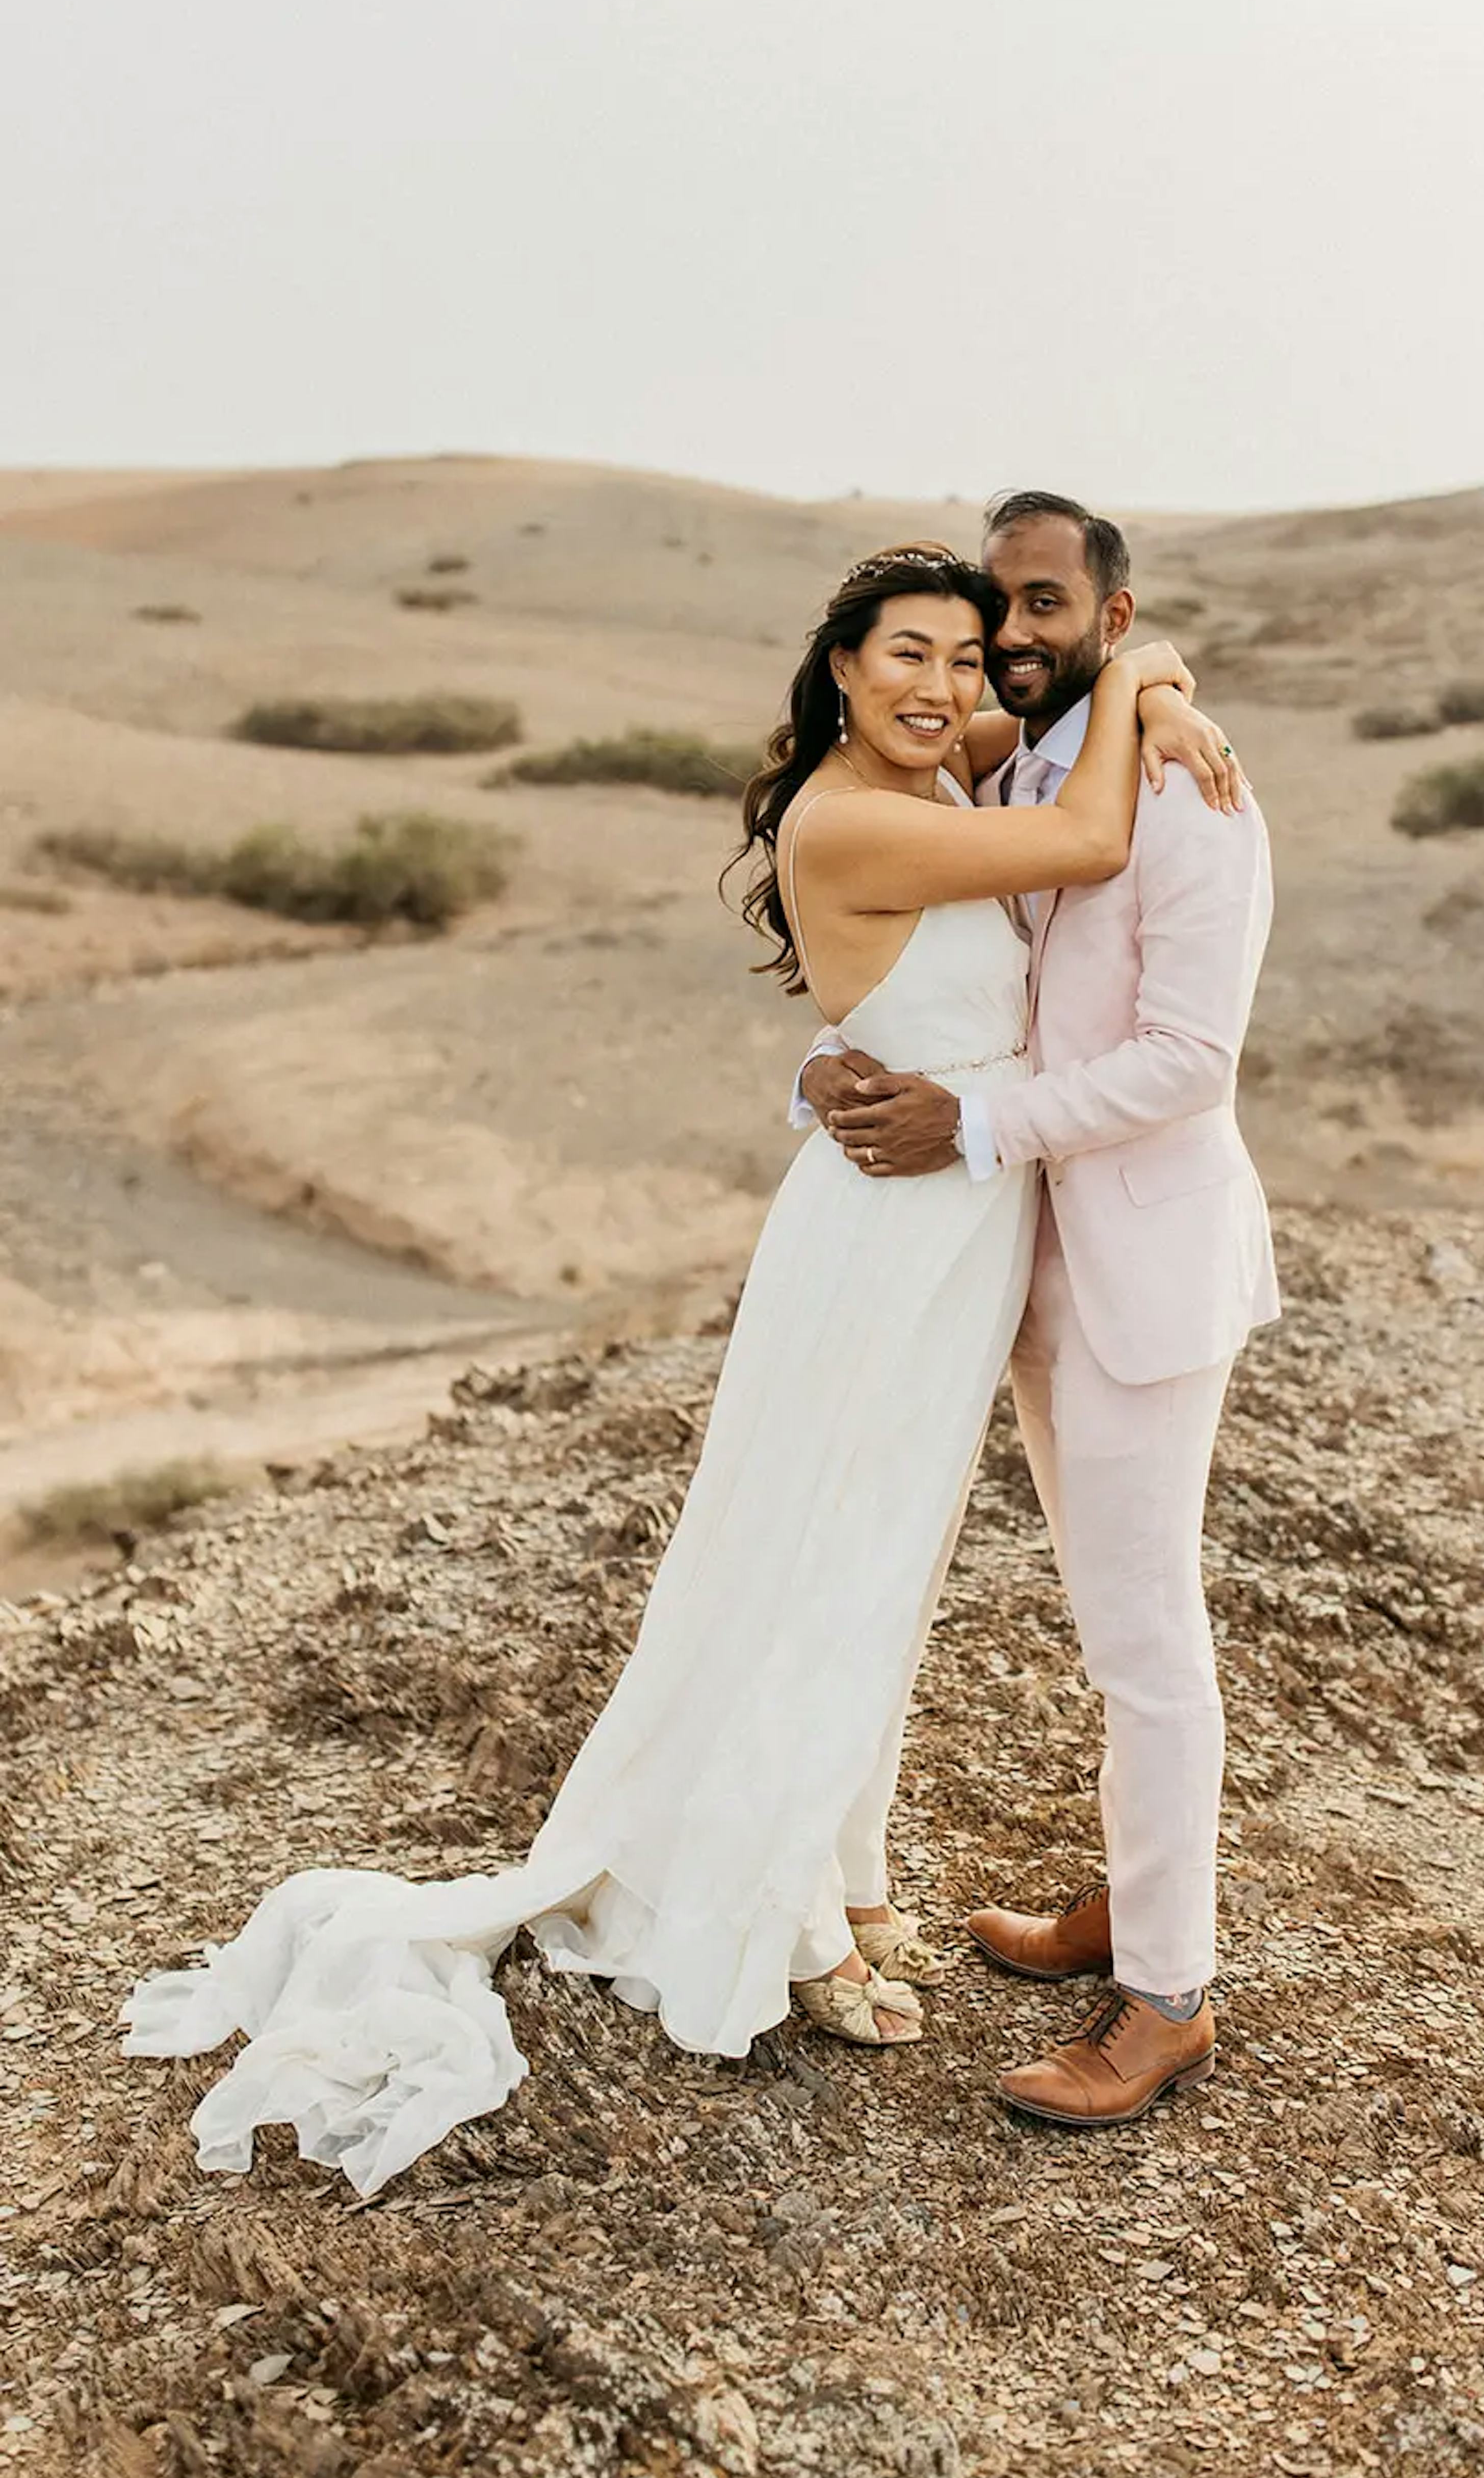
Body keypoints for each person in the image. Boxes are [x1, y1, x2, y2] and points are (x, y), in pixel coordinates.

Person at [120, 542, 1235, 2198]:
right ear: (840, 670)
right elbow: (1082, 832)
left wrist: (1156, 675)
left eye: (964, 652)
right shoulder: (852, 813)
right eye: (904, 654)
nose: (943, 683)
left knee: (887, 1568)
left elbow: (1043, 752)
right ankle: (780, 1915)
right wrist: (1151, 686)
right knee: (824, 1560)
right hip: (887, 1236)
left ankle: (846, 1877)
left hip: (959, 1225)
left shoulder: (938, 762)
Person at [799, 492, 1279, 2129]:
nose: (1012, 631)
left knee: (1149, 1638)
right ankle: (1130, 1908)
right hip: (1028, 1274)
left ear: (1114, 611)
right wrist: (842, 1076)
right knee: (1105, 1619)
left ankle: (1166, 2000)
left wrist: (979, 1130)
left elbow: (1185, 1063)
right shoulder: (1006, 774)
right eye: (994, 603)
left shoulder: (1195, 803)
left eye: (1046, 603)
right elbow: (946, 989)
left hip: (1143, 1272)